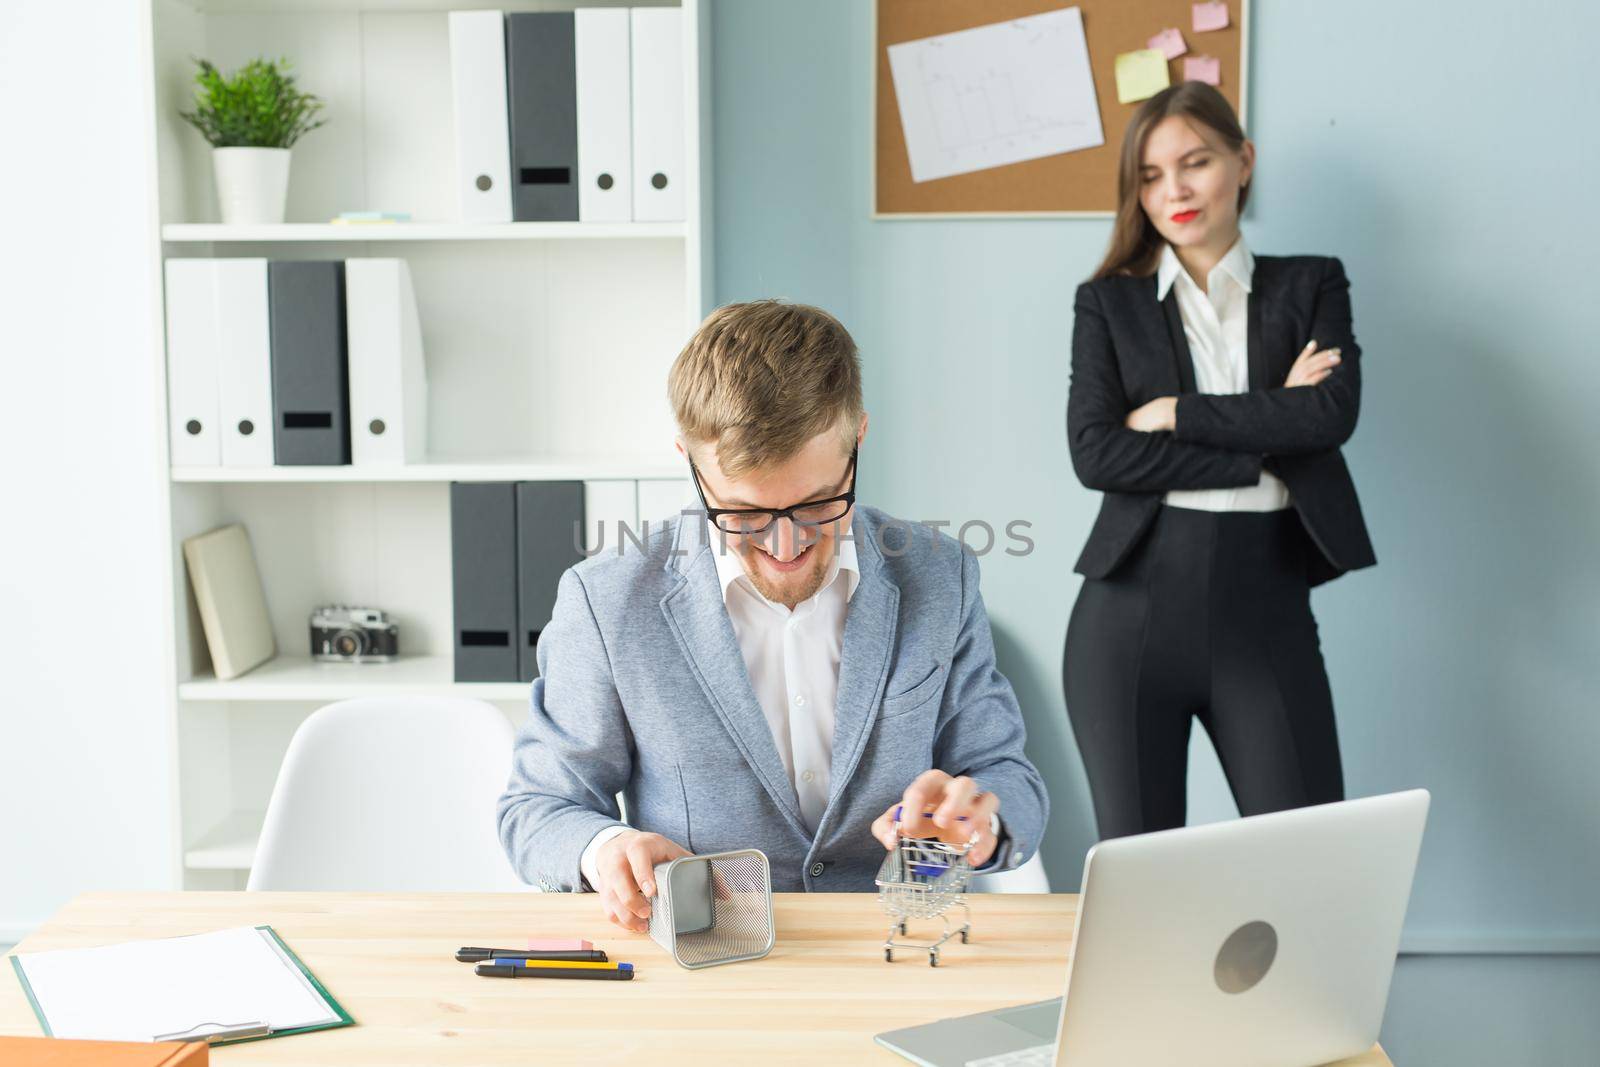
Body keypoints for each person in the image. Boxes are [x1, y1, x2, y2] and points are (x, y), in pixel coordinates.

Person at [500, 299, 1048, 930]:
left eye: (819, 503)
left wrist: (980, 819)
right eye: (742, 513)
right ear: (689, 461)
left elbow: (1005, 773)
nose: (785, 546)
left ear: (858, 439)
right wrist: (606, 850)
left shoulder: (939, 576)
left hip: (898, 943)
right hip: (709, 958)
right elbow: (539, 807)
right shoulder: (606, 600)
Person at [1064, 82, 1375, 841]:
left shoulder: (1311, 284)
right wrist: (1267, 432)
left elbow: (1331, 415)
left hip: (1265, 605)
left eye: (1195, 162)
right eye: (1149, 174)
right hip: (1127, 616)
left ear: (1243, 161)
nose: (1173, 190)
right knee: (1143, 885)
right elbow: (1097, 452)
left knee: (1305, 859)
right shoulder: (1109, 303)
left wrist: (1177, 414)